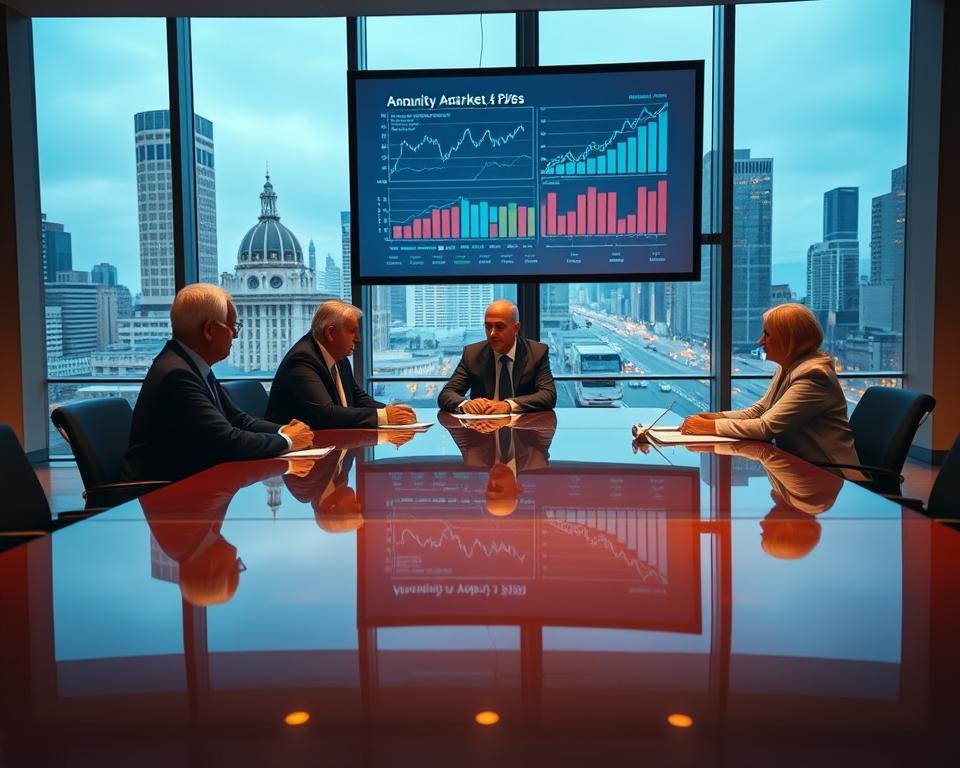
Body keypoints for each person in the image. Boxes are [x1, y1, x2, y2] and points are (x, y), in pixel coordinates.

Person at [124, 284, 313, 483]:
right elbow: (227, 441)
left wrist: (284, 431)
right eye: (233, 326)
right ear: (209, 330)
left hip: (193, 487)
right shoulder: (176, 375)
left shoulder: (193, 366)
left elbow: (240, 421)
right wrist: (289, 440)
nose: (236, 335)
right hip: (161, 497)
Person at [679, 302, 860, 469]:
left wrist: (708, 427)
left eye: (767, 334)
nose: (760, 341)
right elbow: (759, 411)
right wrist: (711, 418)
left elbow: (766, 428)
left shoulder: (813, 375)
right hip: (800, 467)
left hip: (832, 475)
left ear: (789, 339)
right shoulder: (789, 366)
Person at [266, 299, 417, 429]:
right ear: (330, 333)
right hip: (291, 453)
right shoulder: (301, 360)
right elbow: (326, 414)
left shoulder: (338, 355)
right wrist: (384, 416)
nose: (358, 339)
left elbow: (357, 398)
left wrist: (390, 411)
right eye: (352, 331)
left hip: (330, 443)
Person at [437, 299, 556, 414]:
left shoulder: (537, 353)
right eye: (488, 327)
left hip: (524, 427)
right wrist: (465, 405)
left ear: (516, 328)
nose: (492, 333)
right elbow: (447, 394)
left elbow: (548, 395)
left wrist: (508, 405)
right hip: (483, 428)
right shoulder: (473, 354)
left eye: (499, 327)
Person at [438, 410, 558, 517]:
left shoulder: (474, 456)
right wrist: (507, 420)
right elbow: (549, 420)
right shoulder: (536, 459)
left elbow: (445, 417)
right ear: (518, 488)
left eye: (490, 487)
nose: (493, 481)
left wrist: (472, 420)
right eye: (499, 488)